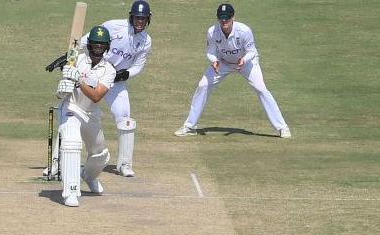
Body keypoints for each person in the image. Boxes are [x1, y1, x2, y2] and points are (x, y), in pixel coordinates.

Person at [174, 3, 291, 138]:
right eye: (221, 18)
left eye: (227, 17)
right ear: (218, 18)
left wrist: (244, 60)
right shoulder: (212, 31)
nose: (224, 21)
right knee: (203, 85)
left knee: (261, 89)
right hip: (223, 63)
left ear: (233, 17)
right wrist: (214, 61)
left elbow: (252, 52)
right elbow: (210, 52)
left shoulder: (244, 31)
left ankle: (282, 127)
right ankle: (189, 127)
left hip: (247, 62)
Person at [77, 0, 153, 178]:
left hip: (116, 81)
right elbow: (86, 40)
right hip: (95, 74)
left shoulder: (146, 41)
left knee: (125, 118)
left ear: (148, 19)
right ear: (131, 16)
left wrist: (124, 75)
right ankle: (59, 160)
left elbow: (138, 66)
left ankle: (125, 164)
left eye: (143, 18)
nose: (139, 21)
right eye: (137, 18)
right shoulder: (114, 26)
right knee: (76, 113)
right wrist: (72, 56)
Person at [54, 25, 117, 207]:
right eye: (95, 44)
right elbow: (61, 92)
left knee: (101, 155)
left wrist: (78, 80)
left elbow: (96, 96)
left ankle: (87, 177)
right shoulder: (76, 60)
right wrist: (63, 87)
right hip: (71, 108)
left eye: (101, 45)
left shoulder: (109, 70)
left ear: (106, 47)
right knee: (71, 143)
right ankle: (71, 191)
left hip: (91, 113)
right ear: (89, 45)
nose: (98, 48)